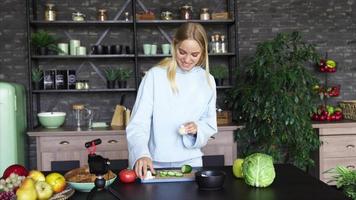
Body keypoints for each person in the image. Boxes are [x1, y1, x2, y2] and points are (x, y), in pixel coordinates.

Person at [126, 22, 217, 178]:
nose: (187, 59)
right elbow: (138, 123)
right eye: (182, 52)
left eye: (194, 54)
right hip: (153, 164)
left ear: (203, 53)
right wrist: (141, 154)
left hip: (191, 164)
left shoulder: (208, 81)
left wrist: (197, 129)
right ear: (174, 45)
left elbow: (209, 124)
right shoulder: (155, 76)